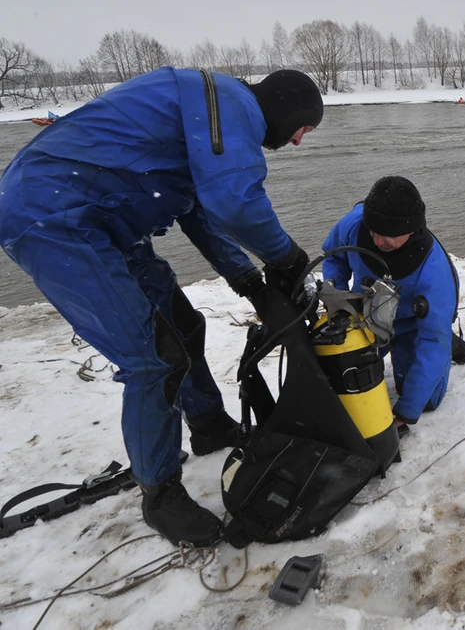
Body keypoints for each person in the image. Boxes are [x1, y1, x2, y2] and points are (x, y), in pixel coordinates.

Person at [0, 67, 323, 546]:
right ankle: (161, 495)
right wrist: (288, 257)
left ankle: (209, 425)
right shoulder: (230, 105)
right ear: (287, 109)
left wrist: (249, 282)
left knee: (183, 326)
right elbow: (234, 203)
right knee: (152, 359)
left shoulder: (207, 110)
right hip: (55, 218)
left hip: (100, 215)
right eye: (304, 128)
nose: (298, 141)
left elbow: (198, 209)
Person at [322, 176, 465, 431]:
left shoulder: (435, 273)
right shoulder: (354, 224)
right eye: (374, 232)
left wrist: (405, 412)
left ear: (411, 230)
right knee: (348, 382)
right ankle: (437, 329)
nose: (379, 241)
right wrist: (337, 297)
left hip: (411, 323)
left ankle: (446, 334)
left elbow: (433, 344)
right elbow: (334, 258)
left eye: (389, 235)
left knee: (424, 400)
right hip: (367, 315)